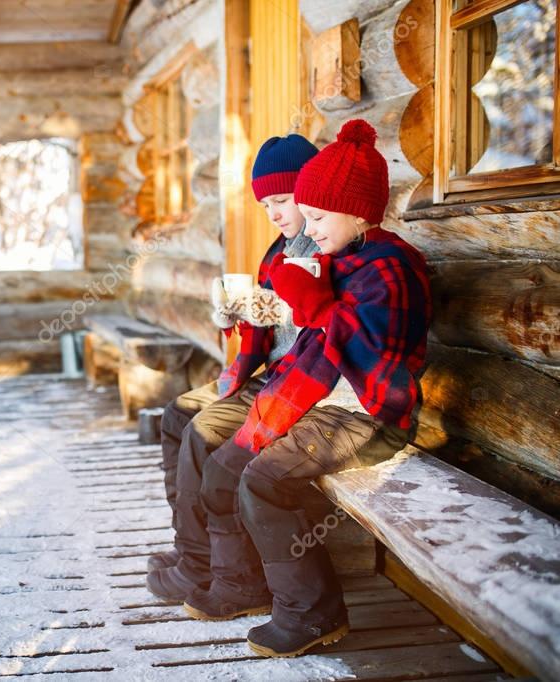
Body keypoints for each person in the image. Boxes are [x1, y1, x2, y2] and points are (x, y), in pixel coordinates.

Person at [190, 119, 433, 658]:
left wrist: (318, 305)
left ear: (360, 213)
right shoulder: (341, 259)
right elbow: (308, 351)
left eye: (319, 216)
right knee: (230, 463)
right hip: (323, 406)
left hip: (370, 419)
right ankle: (246, 585)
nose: (309, 227)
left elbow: (372, 362)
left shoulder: (391, 267)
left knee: (263, 481)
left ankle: (312, 612)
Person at [148, 133, 320, 601]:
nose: (275, 213)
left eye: (283, 200)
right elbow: (269, 329)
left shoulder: (325, 245)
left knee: (203, 433)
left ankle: (214, 569)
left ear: (311, 191)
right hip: (270, 374)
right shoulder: (277, 250)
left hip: (301, 385)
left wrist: (271, 307)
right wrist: (236, 314)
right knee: (178, 415)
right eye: (266, 205)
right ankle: (193, 551)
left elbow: (317, 325)